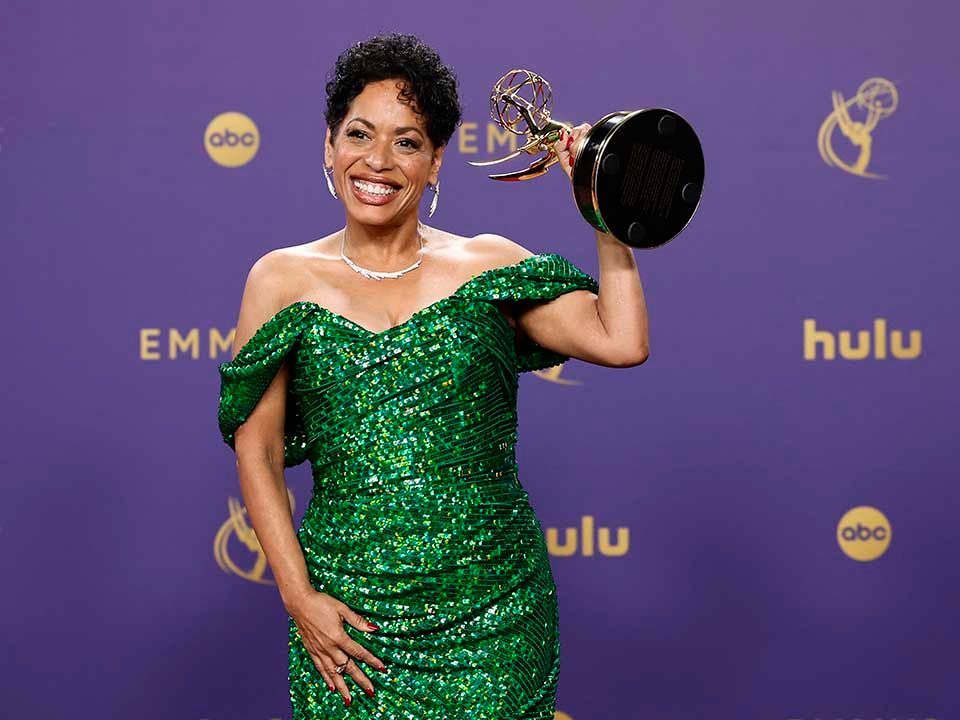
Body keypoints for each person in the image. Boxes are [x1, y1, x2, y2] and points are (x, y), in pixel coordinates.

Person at [217, 32, 649, 720]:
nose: (378, 161)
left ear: (437, 161)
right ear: (329, 147)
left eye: (408, 142)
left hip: (494, 615)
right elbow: (259, 450)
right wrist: (298, 597)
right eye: (359, 134)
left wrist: (603, 211)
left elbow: (620, 339)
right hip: (349, 621)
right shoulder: (280, 280)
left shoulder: (489, 264)